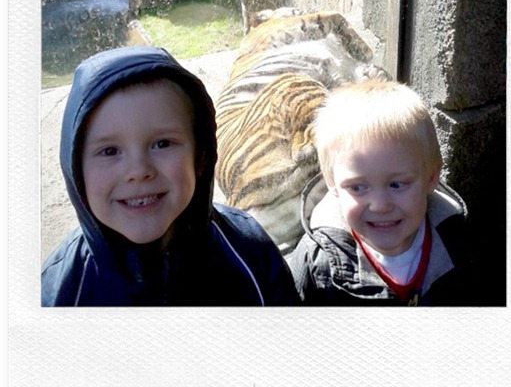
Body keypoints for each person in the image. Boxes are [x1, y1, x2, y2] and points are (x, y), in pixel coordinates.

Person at [41, 46, 300, 306]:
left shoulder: (250, 252)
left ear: (200, 156)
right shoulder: (61, 293)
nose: (139, 171)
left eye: (162, 144)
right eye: (109, 151)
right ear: (76, 170)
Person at [288, 78, 479, 306]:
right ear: (332, 182)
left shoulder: (457, 240)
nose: (380, 205)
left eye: (396, 184)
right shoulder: (317, 261)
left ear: (431, 177)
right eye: (358, 187)